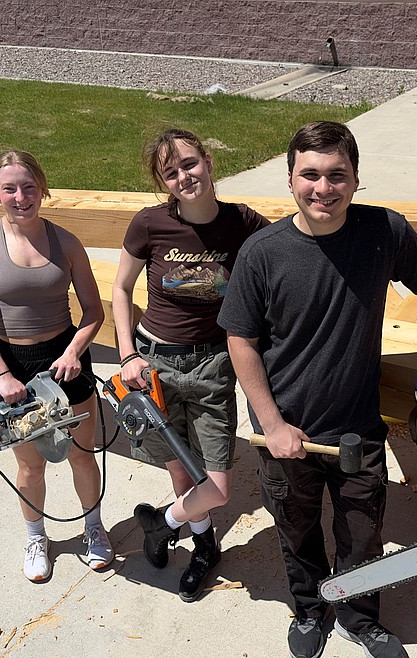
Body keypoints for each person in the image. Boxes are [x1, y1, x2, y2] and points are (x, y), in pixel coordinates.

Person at [218, 121, 417, 658]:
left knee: (361, 531)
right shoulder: (262, 252)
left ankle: (358, 617)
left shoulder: (384, 233)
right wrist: (272, 424)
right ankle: (309, 608)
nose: (322, 189)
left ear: (355, 180)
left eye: (337, 176)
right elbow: (241, 342)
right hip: (287, 433)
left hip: (358, 429)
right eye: (310, 175)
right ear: (290, 180)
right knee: (296, 526)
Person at [114, 128, 269, 602]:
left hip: (211, 365)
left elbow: (288, 253)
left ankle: (160, 523)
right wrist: (126, 356)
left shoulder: (243, 223)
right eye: (171, 172)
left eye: (189, 163)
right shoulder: (149, 224)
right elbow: (121, 290)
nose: (184, 176)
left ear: (208, 161)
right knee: (181, 473)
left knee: (217, 486)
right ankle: (205, 546)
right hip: (153, 366)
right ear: (162, 182)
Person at [0, 150, 111, 582]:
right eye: (9, 188)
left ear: (42, 189)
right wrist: (1, 374)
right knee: (31, 466)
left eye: (29, 187)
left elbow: (92, 312)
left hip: (66, 361)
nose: (21, 196)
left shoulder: (66, 242)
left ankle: (93, 529)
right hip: (14, 366)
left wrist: (74, 352)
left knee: (83, 456)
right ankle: (36, 536)